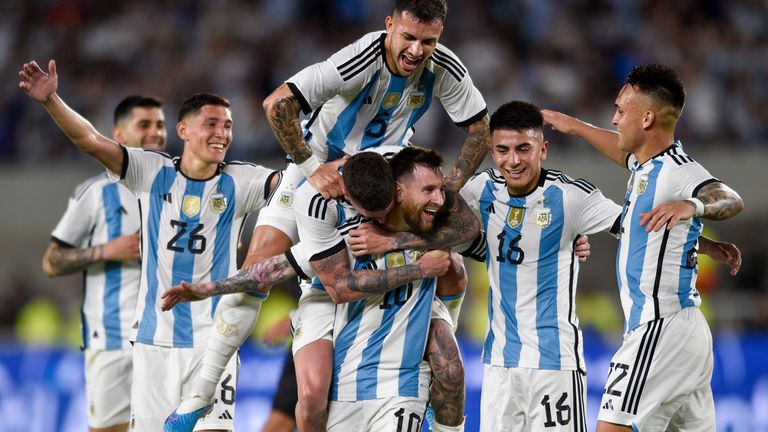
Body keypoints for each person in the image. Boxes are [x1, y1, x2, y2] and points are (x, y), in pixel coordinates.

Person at [186, 1, 491, 429]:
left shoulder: (445, 67)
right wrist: (313, 168)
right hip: (321, 171)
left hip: (385, 179)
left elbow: (481, 129)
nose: (418, 50)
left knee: (453, 262)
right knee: (261, 260)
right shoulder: (359, 59)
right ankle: (203, 394)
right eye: (409, 37)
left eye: (429, 40)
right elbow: (277, 104)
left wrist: (449, 190)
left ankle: (427, 345)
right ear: (389, 26)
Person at [19, 59, 279, 432]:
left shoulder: (246, 180)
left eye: (228, 125)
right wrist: (51, 101)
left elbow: (294, 189)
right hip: (153, 343)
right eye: (212, 124)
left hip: (213, 343)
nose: (222, 133)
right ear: (183, 130)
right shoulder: (151, 171)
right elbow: (90, 140)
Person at [163, 147, 471, 431]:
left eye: (385, 210)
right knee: (310, 398)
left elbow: (468, 230)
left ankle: (443, 352)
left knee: (454, 290)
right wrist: (209, 288)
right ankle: (201, 393)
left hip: (395, 357)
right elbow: (284, 270)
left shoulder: (418, 189)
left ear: (397, 192)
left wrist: (394, 241)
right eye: (372, 213)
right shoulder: (320, 206)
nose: (379, 219)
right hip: (327, 288)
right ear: (350, 199)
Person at [542, 64, 744, 431]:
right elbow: (626, 165)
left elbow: (728, 198)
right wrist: (576, 127)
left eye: (621, 111)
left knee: (610, 427)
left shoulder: (677, 169)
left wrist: (693, 206)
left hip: (659, 326)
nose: (614, 119)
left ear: (647, 118)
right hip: (684, 333)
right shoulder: (646, 167)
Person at [41, 95, 166, 432]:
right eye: (145, 125)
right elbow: (51, 262)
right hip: (110, 338)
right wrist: (108, 250)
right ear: (119, 135)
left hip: (167, 338)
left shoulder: (180, 187)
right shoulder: (94, 193)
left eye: (160, 125)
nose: (156, 133)